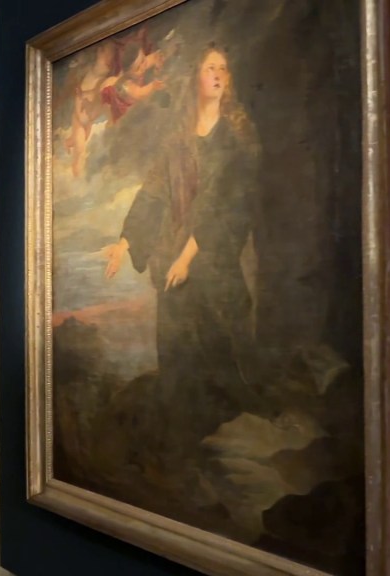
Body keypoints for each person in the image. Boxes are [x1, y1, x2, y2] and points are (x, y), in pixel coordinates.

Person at [100, 45, 262, 451]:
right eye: (210, 67)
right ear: (196, 78)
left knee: (214, 344)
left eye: (223, 67)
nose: (218, 74)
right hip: (172, 255)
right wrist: (125, 242)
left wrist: (189, 256)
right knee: (174, 348)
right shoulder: (177, 141)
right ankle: (182, 437)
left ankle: (219, 433)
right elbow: (153, 193)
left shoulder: (235, 139)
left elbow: (224, 205)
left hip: (213, 260)